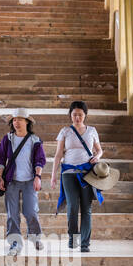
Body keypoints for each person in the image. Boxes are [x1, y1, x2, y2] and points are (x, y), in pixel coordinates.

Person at [50, 99, 104, 251]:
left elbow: (99, 150)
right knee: (72, 206)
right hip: (68, 173)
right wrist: (53, 175)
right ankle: (73, 240)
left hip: (87, 173)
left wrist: (97, 156)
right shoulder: (65, 131)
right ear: (70, 115)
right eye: (74, 115)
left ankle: (85, 244)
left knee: (86, 208)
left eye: (80, 115)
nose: (77, 118)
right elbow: (58, 154)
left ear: (85, 115)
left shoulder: (92, 130)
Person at [0, 108, 46, 256]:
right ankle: (15, 243)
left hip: (29, 180)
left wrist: (38, 177)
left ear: (27, 122)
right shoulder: (8, 138)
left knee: (31, 211)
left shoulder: (34, 139)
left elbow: (40, 160)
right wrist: (0, 177)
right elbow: (0, 157)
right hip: (12, 181)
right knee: (12, 214)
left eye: (20, 119)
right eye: (14, 120)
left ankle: (35, 237)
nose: (16, 122)